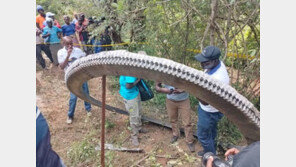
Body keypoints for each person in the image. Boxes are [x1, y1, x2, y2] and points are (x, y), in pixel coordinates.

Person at [194, 46, 230, 157]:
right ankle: (210, 150)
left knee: (203, 135)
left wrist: (192, 88)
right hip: (214, 108)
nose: (202, 64)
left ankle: (211, 157)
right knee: (211, 131)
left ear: (214, 61)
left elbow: (205, 102)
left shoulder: (218, 78)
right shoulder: (216, 64)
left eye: (205, 62)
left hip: (209, 111)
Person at [57, 36, 92, 124]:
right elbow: (61, 67)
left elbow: (85, 60)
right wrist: (68, 55)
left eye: (71, 43)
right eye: (67, 44)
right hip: (71, 78)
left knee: (86, 93)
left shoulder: (78, 51)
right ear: (63, 44)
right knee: (73, 97)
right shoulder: (61, 52)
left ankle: (88, 109)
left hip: (81, 76)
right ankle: (70, 115)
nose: (70, 46)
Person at [155, 83, 195, 152]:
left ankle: (189, 140)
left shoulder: (184, 72)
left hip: (184, 100)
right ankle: (175, 134)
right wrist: (162, 90)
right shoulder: (164, 73)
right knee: (173, 119)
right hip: (170, 100)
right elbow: (157, 86)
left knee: (187, 122)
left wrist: (183, 89)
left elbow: (192, 84)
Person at [119, 75, 147, 146]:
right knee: (134, 116)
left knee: (139, 111)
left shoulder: (127, 67)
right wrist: (138, 80)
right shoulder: (130, 73)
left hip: (134, 93)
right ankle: (134, 136)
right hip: (130, 96)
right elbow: (128, 86)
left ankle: (139, 127)